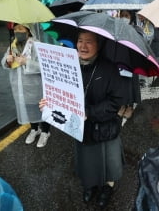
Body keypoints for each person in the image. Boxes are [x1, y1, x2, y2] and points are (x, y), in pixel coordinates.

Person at [39, 30, 125, 208]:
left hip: (105, 127)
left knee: (109, 161)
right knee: (87, 160)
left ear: (99, 45)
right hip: (81, 128)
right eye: (80, 41)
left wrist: (89, 113)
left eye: (89, 42)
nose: (83, 46)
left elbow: (116, 102)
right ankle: (91, 185)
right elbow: (59, 91)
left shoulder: (109, 68)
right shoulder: (68, 64)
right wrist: (49, 104)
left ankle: (107, 187)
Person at [1, 23, 51, 148]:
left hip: (35, 86)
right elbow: (4, 62)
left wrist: (26, 62)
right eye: (16, 29)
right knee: (28, 109)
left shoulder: (36, 45)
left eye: (21, 29)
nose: (18, 32)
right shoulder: (12, 45)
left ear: (28, 31)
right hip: (19, 86)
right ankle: (34, 129)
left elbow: (45, 66)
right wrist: (7, 61)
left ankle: (45, 132)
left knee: (41, 109)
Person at [118, 10, 142, 119]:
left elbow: (141, 45)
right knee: (121, 84)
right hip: (120, 60)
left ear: (131, 17)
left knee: (131, 84)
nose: (124, 18)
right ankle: (123, 104)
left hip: (132, 62)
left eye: (126, 16)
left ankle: (130, 106)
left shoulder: (137, 30)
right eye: (122, 15)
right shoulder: (117, 28)